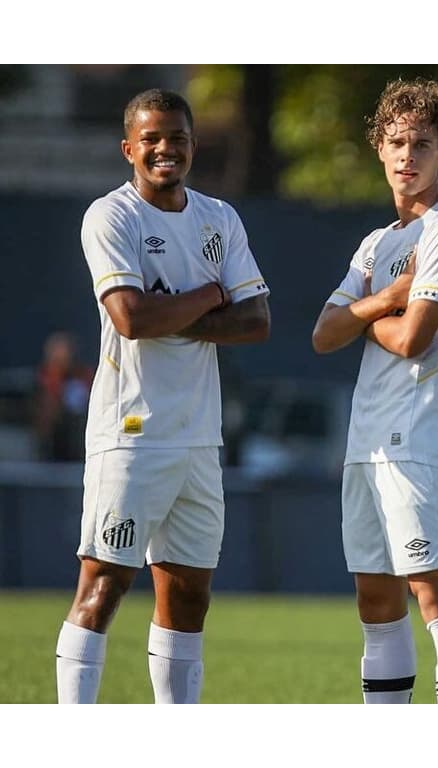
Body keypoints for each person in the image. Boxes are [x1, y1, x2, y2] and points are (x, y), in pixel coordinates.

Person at [56, 88, 271, 704]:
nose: (165, 150)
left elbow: (256, 321)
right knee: (103, 587)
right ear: (130, 148)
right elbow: (129, 317)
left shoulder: (219, 218)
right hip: (132, 434)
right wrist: (207, 296)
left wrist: (170, 308)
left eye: (176, 137)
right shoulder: (111, 216)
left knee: (189, 597)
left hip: (200, 438)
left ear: (192, 145)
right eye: (151, 139)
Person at [311, 78, 438, 704]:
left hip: (419, 436)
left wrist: (367, 316)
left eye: (422, 143)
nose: (407, 155)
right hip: (367, 440)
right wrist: (384, 298)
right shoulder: (377, 244)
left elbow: (414, 338)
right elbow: (323, 334)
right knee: (376, 599)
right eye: (396, 142)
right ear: (379, 151)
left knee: (434, 593)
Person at [33, 331, 94, 461]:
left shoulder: (84, 376)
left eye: (67, 353)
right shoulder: (44, 380)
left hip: (81, 441)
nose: (64, 358)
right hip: (51, 445)